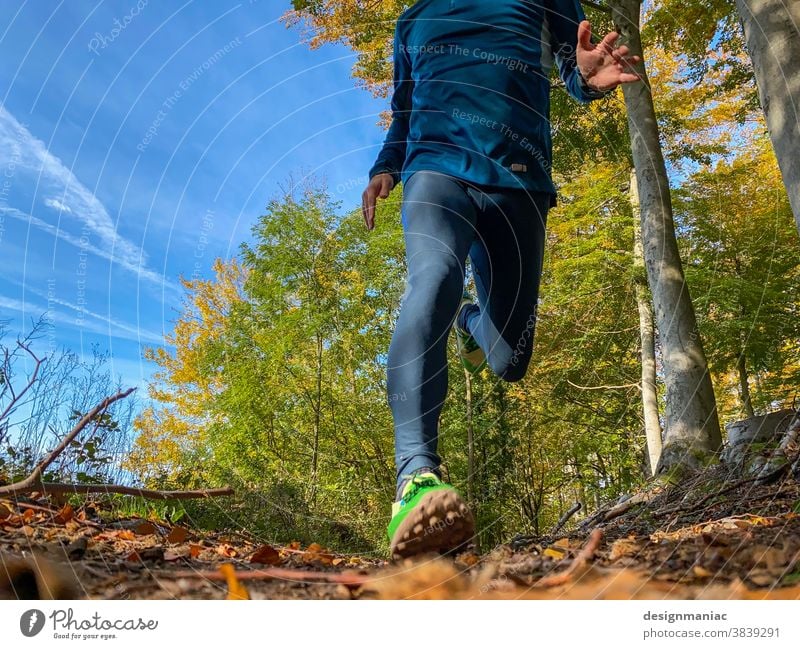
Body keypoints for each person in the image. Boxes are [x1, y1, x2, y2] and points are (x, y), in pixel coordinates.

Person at [361, 0, 641, 558]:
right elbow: (404, 109)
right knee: (434, 277)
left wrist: (586, 78)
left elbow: (572, 65)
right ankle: (416, 477)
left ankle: (472, 322)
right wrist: (383, 168)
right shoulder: (413, 18)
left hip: (520, 179)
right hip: (435, 173)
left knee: (510, 361)